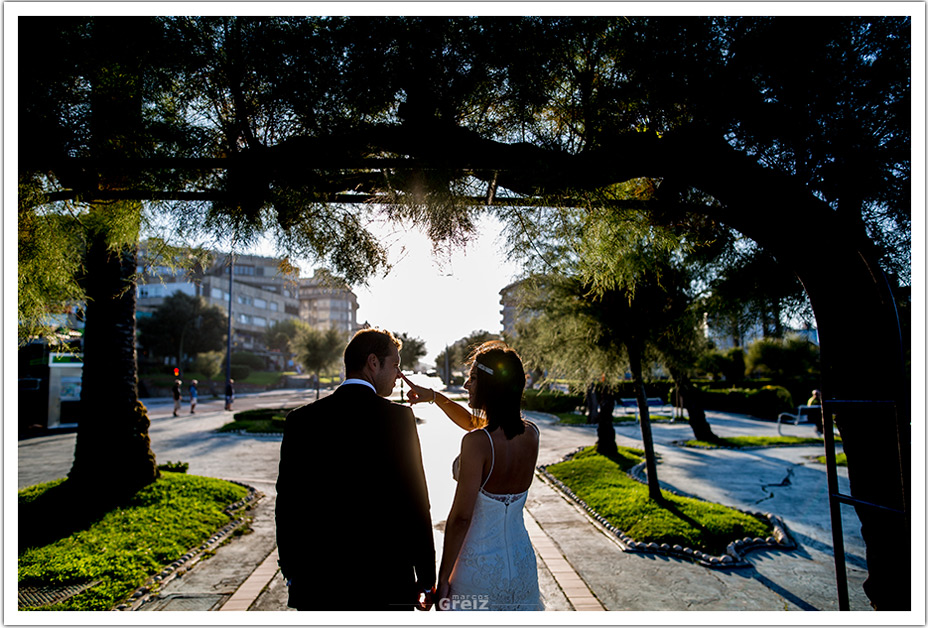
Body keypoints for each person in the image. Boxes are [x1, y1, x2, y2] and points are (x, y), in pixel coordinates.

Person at [275, 328, 435, 611]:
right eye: (396, 365)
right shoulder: (398, 419)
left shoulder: (302, 420)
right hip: (386, 580)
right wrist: (425, 577)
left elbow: (287, 502)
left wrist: (291, 570)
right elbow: (416, 502)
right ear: (373, 363)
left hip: (318, 584)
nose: (399, 374)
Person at [401, 341, 543, 611]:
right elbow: (474, 422)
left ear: (491, 386)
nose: (466, 385)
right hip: (522, 564)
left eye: (473, 378)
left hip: (478, 572)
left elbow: (460, 519)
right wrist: (432, 396)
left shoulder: (478, 443)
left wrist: (442, 579)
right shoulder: (531, 434)